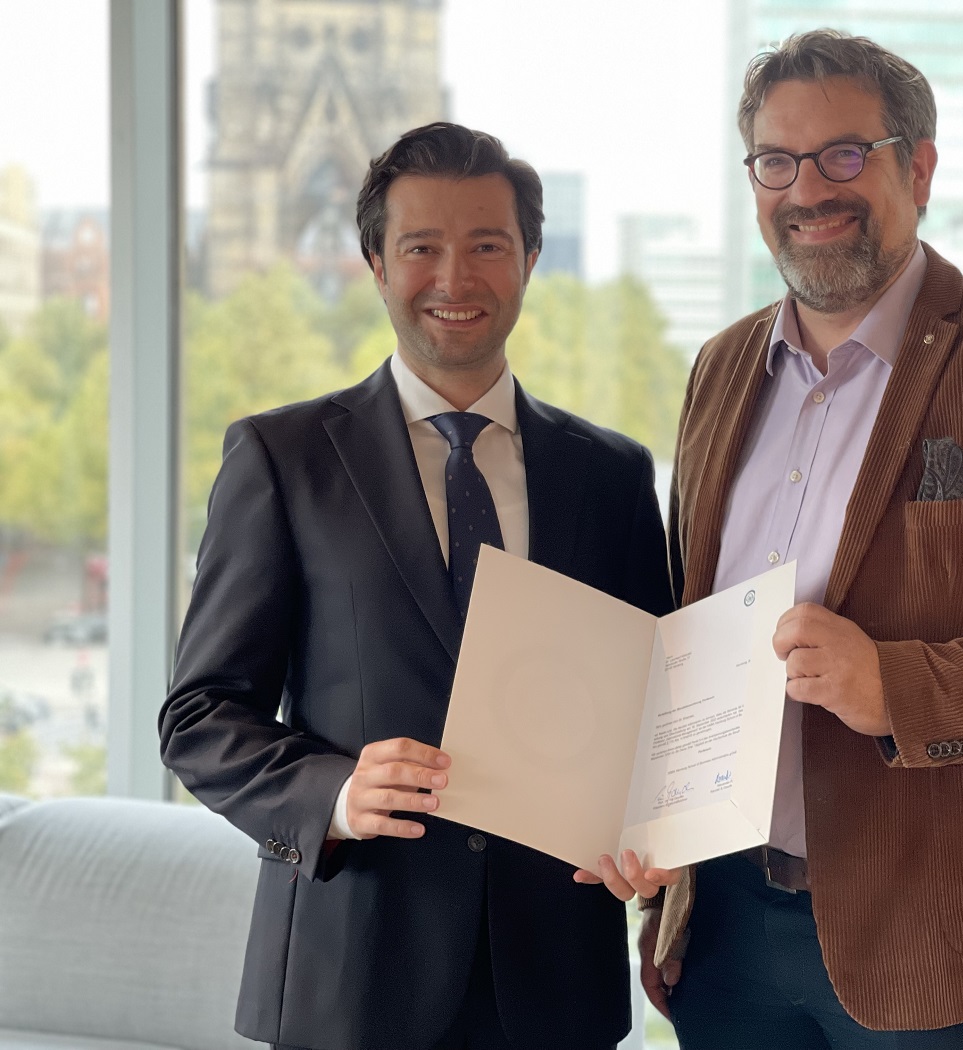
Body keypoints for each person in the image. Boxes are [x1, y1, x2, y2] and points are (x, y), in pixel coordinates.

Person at [614, 29, 963, 1050]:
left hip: (952, 942)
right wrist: (653, 842)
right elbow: (688, 634)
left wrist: (897, 687)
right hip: (726, 929)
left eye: (844, 154)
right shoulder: (719, 368)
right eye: (776, 161)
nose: (808, 190)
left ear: (917, 169)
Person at [159, 122, 673, 1050]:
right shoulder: (282, 459)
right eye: (421, 248)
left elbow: (656, 705)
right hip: (352, 972)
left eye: (487, 246)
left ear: (531, 260)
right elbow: (198, 717)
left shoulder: (612, 474)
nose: (454, 278)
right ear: (376, 263)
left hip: (557, 977)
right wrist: (334, 794)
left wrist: (659, 834)